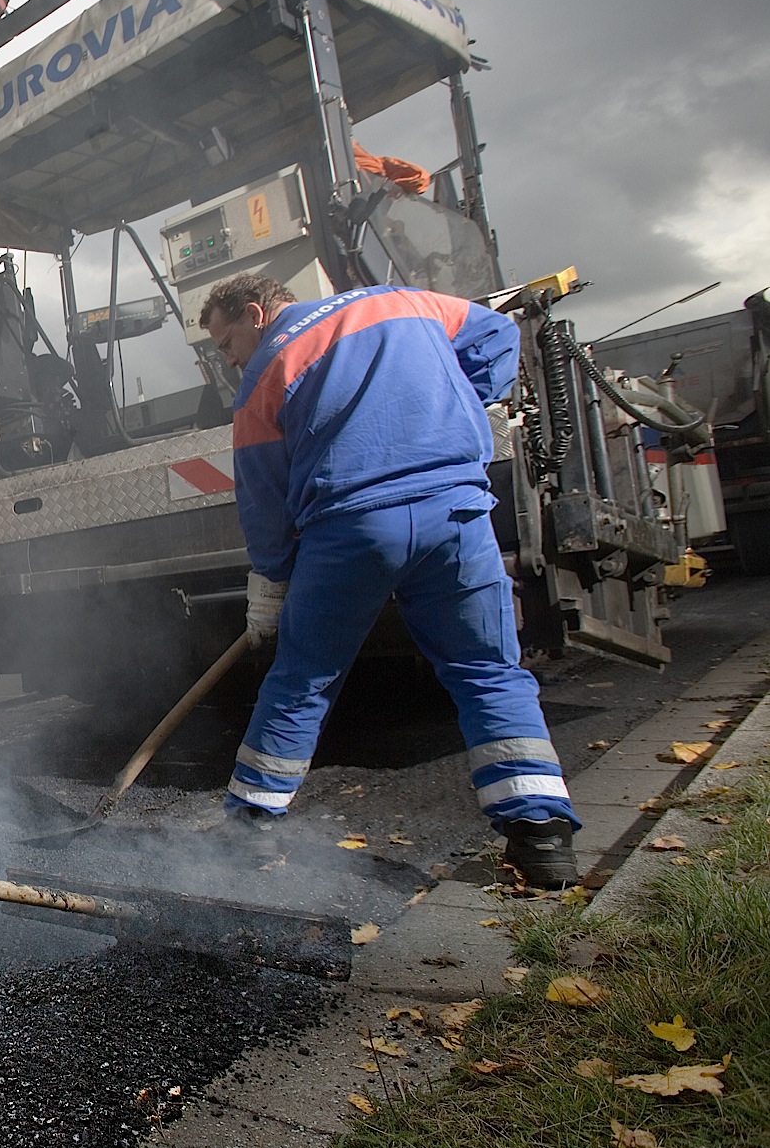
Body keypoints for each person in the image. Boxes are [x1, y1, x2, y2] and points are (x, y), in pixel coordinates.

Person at [201, 272, 580, 888]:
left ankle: (250, 831)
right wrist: (454, 400)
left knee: (303, 679)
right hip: (455, 516)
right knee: (487, 670)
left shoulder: (268, 367)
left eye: (226, 342)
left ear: (255, 313)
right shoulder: (407, 301)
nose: (229, 357)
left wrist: (270, 584)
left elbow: (263, 498)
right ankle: (541, 838)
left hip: (349, 531)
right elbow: (497, 335)